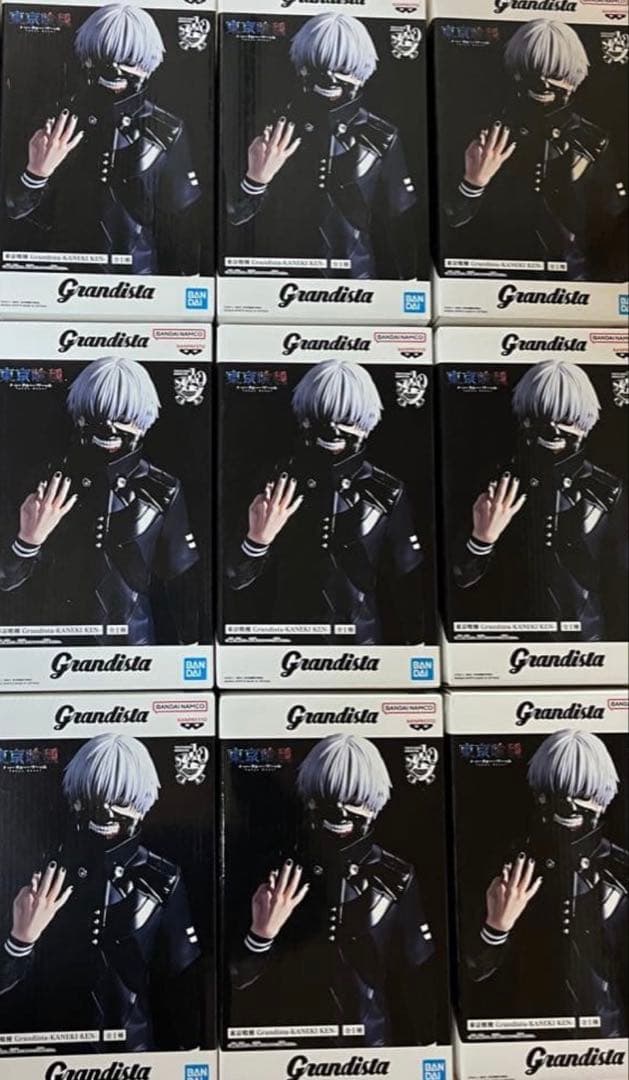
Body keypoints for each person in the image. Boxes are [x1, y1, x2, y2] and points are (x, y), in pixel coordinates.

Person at [0, 734, 203, 1051]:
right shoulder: (43, 873)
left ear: (141, 803)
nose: (104, 812)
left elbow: (184, 983)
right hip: (51, 1052)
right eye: (92, 796)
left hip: (135, 1054)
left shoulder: (163, 878)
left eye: (119, 799)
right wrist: (20, 941)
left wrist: (192, 1057)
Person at [230, 734, 436, 1046]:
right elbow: (235, 980)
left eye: (353, 799)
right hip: (288, 1045)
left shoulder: (397, 877)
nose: (339, 811)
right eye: (327, 796)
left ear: (374, 803)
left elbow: (418, 978)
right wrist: (261, 935)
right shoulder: (278, 872)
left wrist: (429, 1052)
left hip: (372, 1048)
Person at [0, 356, 200, 645]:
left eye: (124, 418)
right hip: (55, 648)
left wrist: (192, 649)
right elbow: (7, 582)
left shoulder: (163, 489)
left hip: (136, 648)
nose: (108, 427)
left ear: (143, 423)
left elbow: (181, 581)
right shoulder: (44, 482)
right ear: (80, 416)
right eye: (97, 414)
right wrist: (28, 541)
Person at [225, 359, 425, 644]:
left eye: (346, 419)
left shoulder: (387, 491)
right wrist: (257, 540)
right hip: (287, 643)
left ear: (365, 423)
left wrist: (417, 649)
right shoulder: (276, 480)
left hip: (363, 645)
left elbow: (408, 580)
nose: (332, 430)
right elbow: (234, 578)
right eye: (322, 416)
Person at [4, 4, 202, 274]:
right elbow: (14, 212)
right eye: (103, 57)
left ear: (147, 65)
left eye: (128, 60)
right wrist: (36, 173)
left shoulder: (167, 129)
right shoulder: (56, 119)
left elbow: (183, 223)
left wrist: (189, 285)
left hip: (138, 279)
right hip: (63, 276)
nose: (114, 71)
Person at [227, 13, 419, 279]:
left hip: (357, 280)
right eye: (319, 65)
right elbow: (231, 219)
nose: (329, 78)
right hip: (279, 278)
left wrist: (409, 287)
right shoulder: (271, 126)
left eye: (342, 68)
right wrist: (256, 181)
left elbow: (401, 223)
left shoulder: (383, 136)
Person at [466, 730, 627, 1038]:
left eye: (582, 793)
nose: (568, 805)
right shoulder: (509, 863)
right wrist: (496, 928)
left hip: (607, 1040)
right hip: (522, 1036)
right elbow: (471, 972)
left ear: (603, 799)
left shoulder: (621, 870)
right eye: (556, 790)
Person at [452, 360, 627, 642]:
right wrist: (482, 539)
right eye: (541, 416)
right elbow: (457, 578)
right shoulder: (495, 483)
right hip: (508, 643)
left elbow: (620, 580)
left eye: (566, 419)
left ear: (584, 423)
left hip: (587, 645)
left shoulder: (608, 491)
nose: (553, 430)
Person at [443, 20, 628, 281]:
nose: (542, 83)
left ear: (573, 77)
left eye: (555, 73)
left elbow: (614, 224)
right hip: (496, 276)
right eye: (533, 70)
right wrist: (473, 183)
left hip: (573, 280)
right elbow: (447, 221)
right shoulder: (486, 133)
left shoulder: (594, 141)